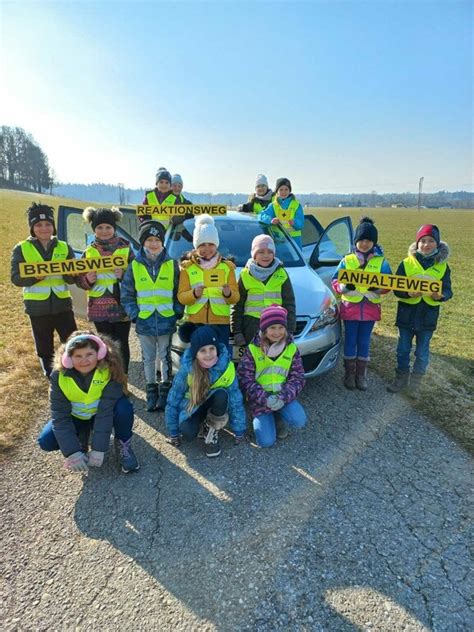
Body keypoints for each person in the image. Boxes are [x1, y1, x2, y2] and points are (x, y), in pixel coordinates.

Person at [37, 331, 140, 473]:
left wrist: (99, 448)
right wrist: (72, 452)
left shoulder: (110, 370)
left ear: (99, 354)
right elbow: (60, 416)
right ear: (68, 358)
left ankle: (123, 444)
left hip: (102, 414)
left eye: (89, 354)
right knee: (46, 441)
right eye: (78, 356)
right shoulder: (58, 376)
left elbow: (105, 412)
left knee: (124, 408)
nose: (84, 360)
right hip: (77, 417)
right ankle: (81, 438)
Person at [121, 220, 182, 412]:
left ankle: (165, 391)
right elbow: (127, 294)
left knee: (165, 357)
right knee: (148, 358)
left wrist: (177, 312)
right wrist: (134, 315)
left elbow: (178, 292)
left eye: (157, 240)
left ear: (162, 242)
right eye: (149, 240)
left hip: (166, 319)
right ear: (143, 243)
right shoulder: (134, 266)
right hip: (144, 321)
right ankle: (151, 391)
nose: (153, 244)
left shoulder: (172, 264)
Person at [10, 202, 77, 378]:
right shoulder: (21, 248)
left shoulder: (64, 246)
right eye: (38, 225)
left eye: (48, 224)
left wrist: (73, 274)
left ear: (53, 226)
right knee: (44, 346)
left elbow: (71, 278)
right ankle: (51, 377)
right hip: (37, 308)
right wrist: (34, 278)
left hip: (62, 305)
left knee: (72, 342)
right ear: (32, 228)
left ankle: (73, 373)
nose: (44, 228)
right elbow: (16, 278)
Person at [387, 224, 452, 396]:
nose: (426, 244)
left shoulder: (443, 267)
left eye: (431, 241)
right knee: (402, 349)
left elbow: (448, 290)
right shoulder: (406, 263)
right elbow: (396, 288)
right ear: (417, 243)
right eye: (422, 241)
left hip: (427, 318)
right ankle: (400, 379)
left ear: (437, 244)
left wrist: (442, 296)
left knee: (422, 353)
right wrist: (407, 293)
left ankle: (415, 384)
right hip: (406, 316)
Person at [165, 325, 247, 457]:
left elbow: (236, 401)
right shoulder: (187, 370)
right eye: (202, 350)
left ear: (217, 349)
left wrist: (239, 430)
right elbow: (173, 399)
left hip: (215, 405)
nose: (208, 354)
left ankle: (211, 430)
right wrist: (173, 431)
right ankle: (201, 424)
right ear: (195, 353)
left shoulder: (227, 367)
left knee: (222, 394)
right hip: (193, 406)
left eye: (211, 349)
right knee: (188, 433)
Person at [332, 217, 392, 391]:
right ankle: (349, 374)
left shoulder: (382, 262)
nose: (364, 244)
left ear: (374, 242)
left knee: (364, 342)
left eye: (368, 240)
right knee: (350, 340)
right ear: (355, 241)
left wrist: (378, 289)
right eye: (361, 240)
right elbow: (335, 281)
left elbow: (389, 284)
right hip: (350, 309)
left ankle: (361, 375)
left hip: (370, 309)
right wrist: (343, 287)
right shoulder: (347, 260)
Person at [237, 304, 307, 448]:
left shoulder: (291, 348)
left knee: (299, 421)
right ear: (264, 329)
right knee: (266, 442)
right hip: (260, 400)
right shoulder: (252, 349)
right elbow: (245, 379)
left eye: (281, 327)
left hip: (283, 397)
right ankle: (259, 416)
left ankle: (278, 415)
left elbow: (298, 377)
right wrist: (265, 398)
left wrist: (282, 397)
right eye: (272, 328)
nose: (277, 332)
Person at [78, 206, 133, 381]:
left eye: (108, 227)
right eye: (100, 227)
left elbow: (138, 276)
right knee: (104, 345)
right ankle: (109, 378)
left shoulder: (126, 247)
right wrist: (88, 279)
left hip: (121, 305)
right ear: (94, 229)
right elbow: (79, 280)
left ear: (114, 228)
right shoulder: (89, 251)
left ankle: (122, 378)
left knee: (122, 343)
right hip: (98, 308)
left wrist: (124, 275)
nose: (104, 231)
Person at [178, 214, 239, 350]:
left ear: (216, 244)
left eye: (211, 244)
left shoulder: (227, 267)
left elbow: (235, 298)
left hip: (220, 324)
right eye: (202, 245)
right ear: (196, 246)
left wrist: (228, 293)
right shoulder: (187, 268)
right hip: (195, 322)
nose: (207, 248)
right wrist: (194, 294)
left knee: (221, 359)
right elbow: (181, 297)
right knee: (199, 360)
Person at [231, 234, 296, 346]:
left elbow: (289, 303)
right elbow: (238, 306)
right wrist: (237, 332)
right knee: (253, 361)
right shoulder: (245, 275)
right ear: (254, 255)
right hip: (252, 328)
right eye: (261, 252)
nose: (266, 255)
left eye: (270, 252)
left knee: (273, 360)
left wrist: (289, 331)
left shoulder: (282, 274)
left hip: (276, 328)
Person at [257, 177, 305, 248]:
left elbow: (301, 223)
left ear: (289, 190)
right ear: (277, 191)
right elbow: (261, 215)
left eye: (286, 189)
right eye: (281, 189)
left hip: (294, 242)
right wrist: (270, 220)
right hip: (279, 242)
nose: (283, 192)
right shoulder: (273, 205)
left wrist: (294, 222)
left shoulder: (296, 205)